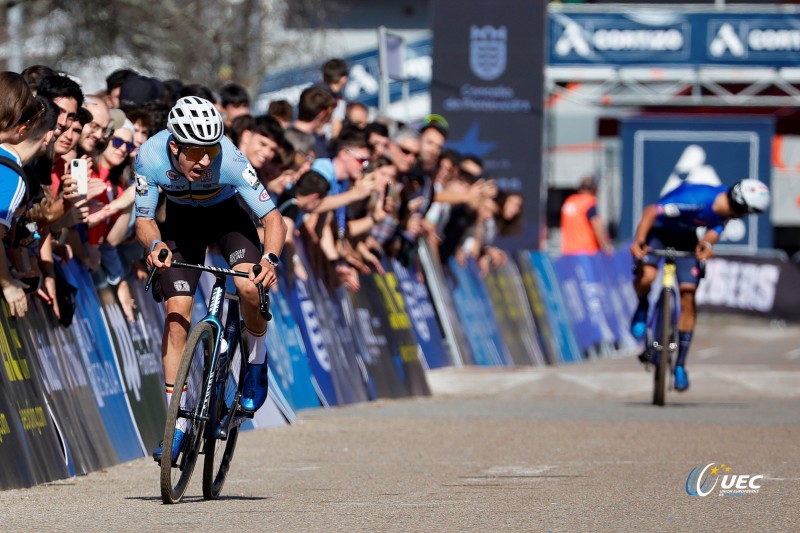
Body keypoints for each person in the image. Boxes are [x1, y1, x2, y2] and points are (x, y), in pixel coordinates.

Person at [134, 96, 286, 463]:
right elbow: (144, 217)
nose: (205, 161)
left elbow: (273, 219)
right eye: (195, 152)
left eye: (210, 151)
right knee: (176, 318)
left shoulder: (231, 159)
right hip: (182, 225)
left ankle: (255, 360)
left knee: (249, 285)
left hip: (228, 219)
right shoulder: (150, 157)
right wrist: (154, 244)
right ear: (174, 145)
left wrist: (270, 258)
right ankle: (178, 424)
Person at [629, 179, 771, 392]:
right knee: (647, 277)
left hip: (685, 237)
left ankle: (680, 365)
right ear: (741, 207)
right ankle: (642, 307)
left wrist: (706, 244)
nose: (745, 216)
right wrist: (639, 241)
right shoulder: (695, 201)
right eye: (747, 212)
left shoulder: (727, 206)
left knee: (688, 295)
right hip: (658, 232)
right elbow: (650, 211)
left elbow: (716, 228)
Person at [560, 176, 613, 256]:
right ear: (594, 189)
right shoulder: (588, 202)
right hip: (586, 253)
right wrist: (606, 245)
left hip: (568, 252)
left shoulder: (569, 201)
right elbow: (596, 225)